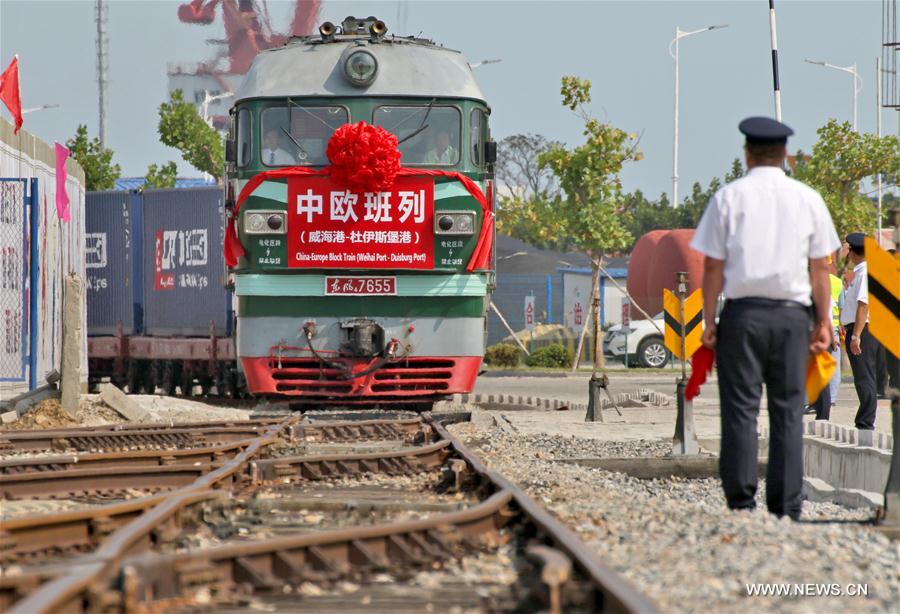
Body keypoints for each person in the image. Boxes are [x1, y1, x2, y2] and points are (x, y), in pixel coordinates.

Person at [691, 116, 840, 521]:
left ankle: (741, 501)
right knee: (788, 410)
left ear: (747, 153)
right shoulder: (807, 198)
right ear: (786, 155)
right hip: (792, 318)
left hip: (742, 316)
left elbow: (712, 267)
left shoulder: (728, 197)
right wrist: (823, 321)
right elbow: (820, 269)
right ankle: (786, 506)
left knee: (740, 409)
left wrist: (709, 321)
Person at [842, 232, 878, 431]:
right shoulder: (860, 272)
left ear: (853, 252)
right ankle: (864, 418)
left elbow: (863, 306)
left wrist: (856, 335)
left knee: (864, 377)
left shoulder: (865, 273)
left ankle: (865, 421)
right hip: (857, 329)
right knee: (862, 377)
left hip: (862, 330)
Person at [808, 253, 843, 420]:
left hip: (822, 333)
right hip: (825, 332)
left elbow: (826, 314)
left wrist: (831, 335)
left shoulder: (819, 284)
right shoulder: (824, 283)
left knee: (823, 375)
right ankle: (821, 410)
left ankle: (823, 413)